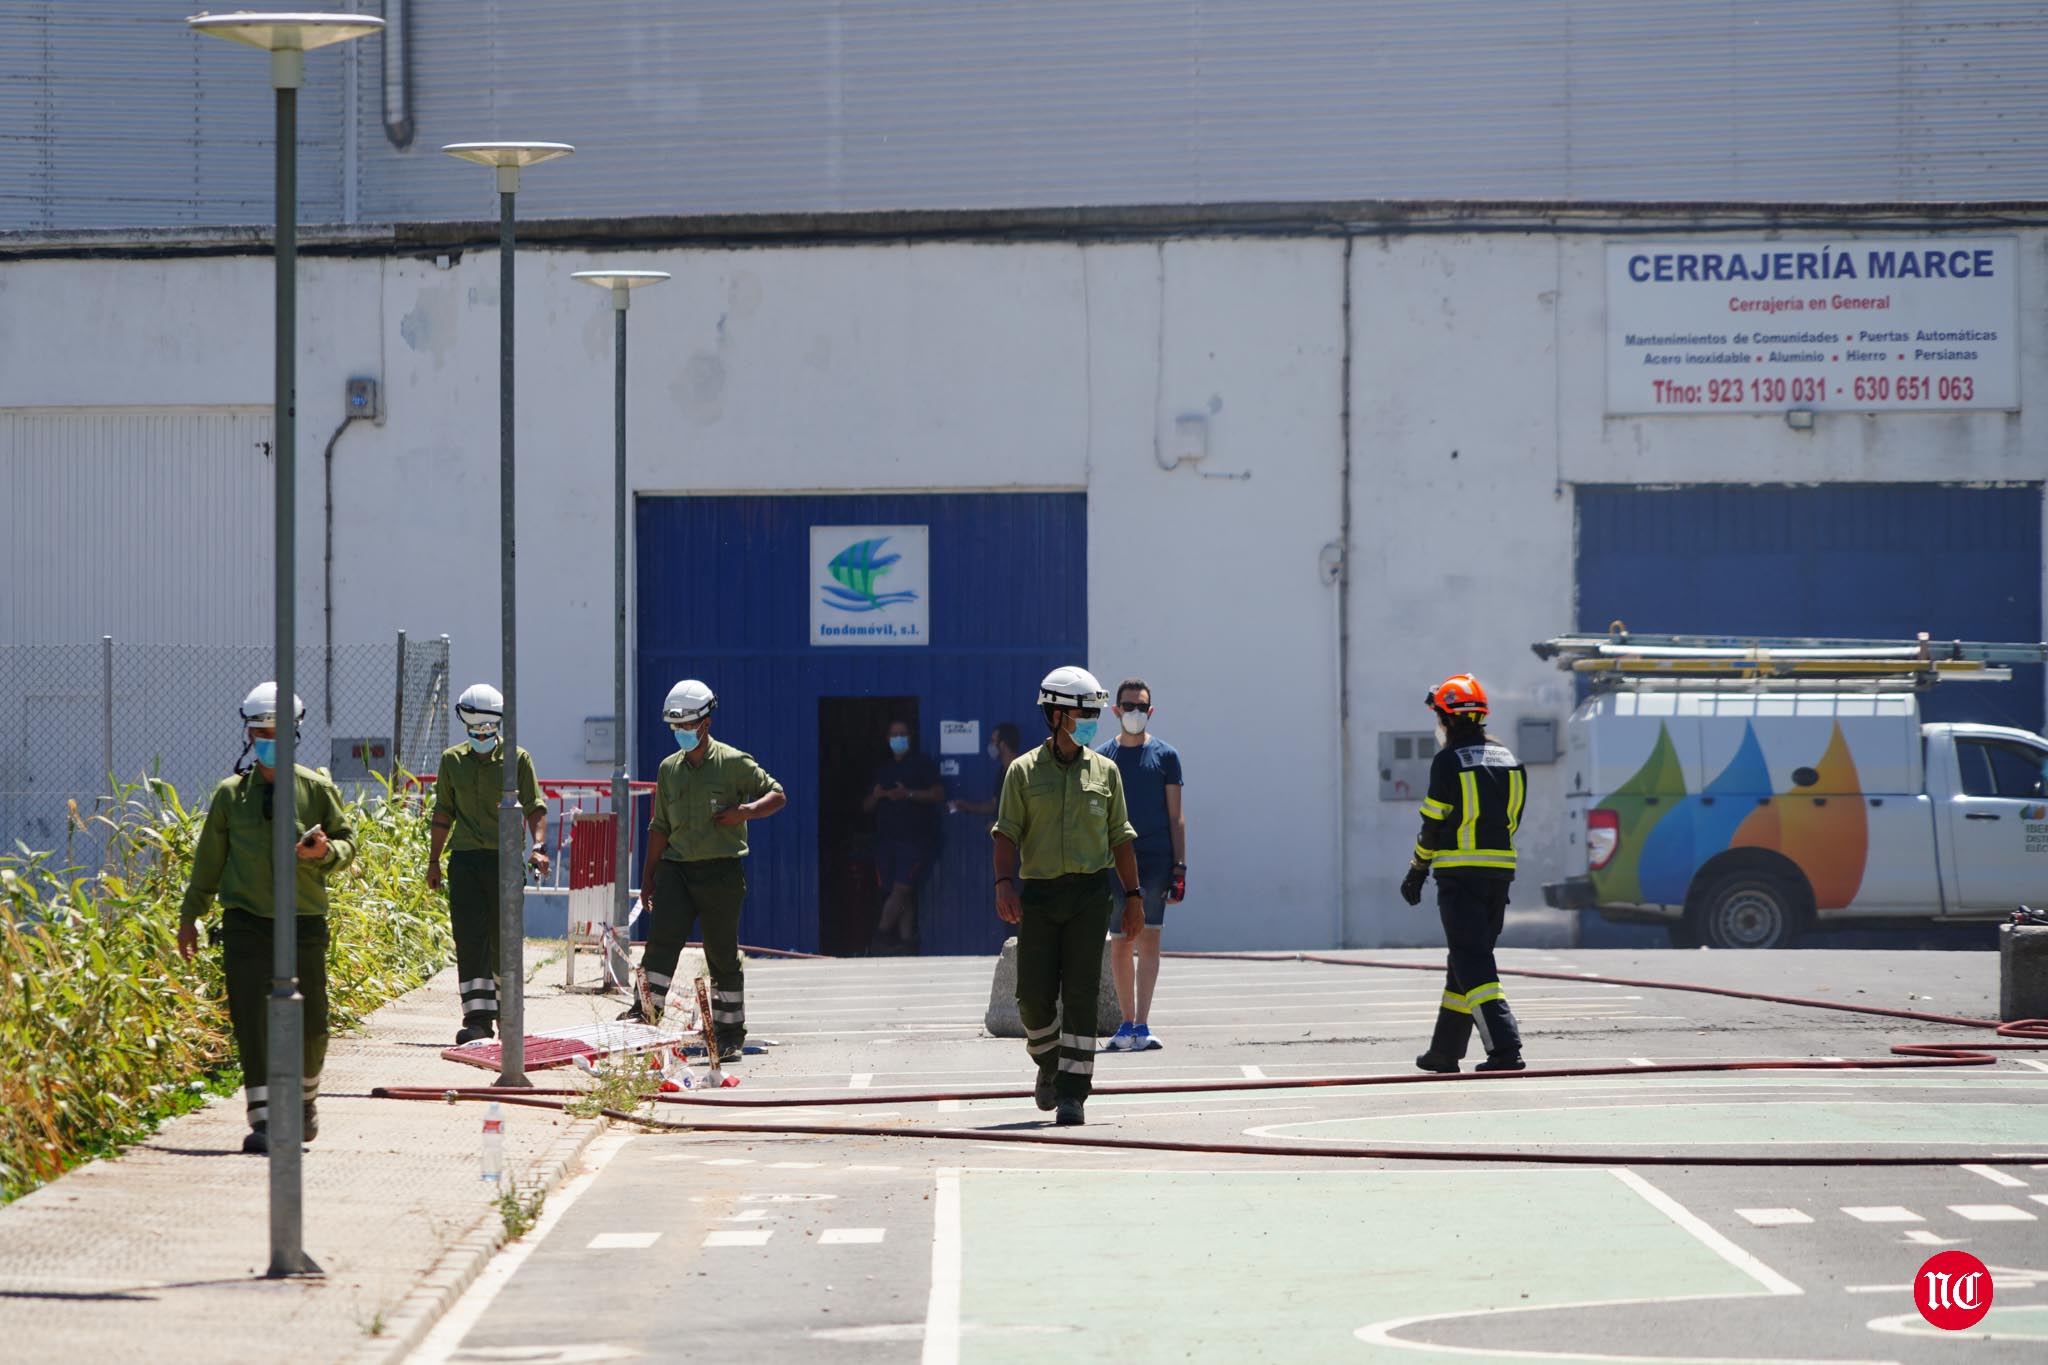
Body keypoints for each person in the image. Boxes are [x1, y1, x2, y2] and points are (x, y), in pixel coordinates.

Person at [176, 683, 356, 1154]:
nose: (267, 738)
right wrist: (190, 917)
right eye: (259, 731)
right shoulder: (230, 796)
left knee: (313, 1022)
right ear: (249, 734)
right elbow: (208, 863)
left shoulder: (316, 789)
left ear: (295, 732)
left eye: (276, 731)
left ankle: (304, 1101)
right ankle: (264, 1121)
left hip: (303, 920)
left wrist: (325, 852)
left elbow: (347, 844)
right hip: (246, 922)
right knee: (252, 1021)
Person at [991, 666, 1142, 1126]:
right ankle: (1050, 1064)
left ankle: (1073, 1093)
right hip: (1039, 895)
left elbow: (1121, 839)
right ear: (1056, 715)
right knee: (1032, 997)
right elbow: (1005, 835)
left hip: (1090, 896)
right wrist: (1003, 885)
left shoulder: (1106, 772)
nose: (1093, 721)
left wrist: (1133, 896)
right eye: (1085, 712)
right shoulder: (1022, 772)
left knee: (1080, 994)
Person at [625, 679, 786, 1061]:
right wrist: (648, 877)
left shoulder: (733, 764)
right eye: (674, 728)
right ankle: (644, 1016)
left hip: (721, 872)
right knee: (661, 945)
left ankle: (730, 1031)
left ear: (706, 723)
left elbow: (777, 794)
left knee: (721, 953)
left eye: (686, 727)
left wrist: (745, 811)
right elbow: (659, 826)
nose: (680, 734)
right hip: (676, 871)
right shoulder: (669, 771)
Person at [1401, 673, 1529, 1073]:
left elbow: (1433, 826)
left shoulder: (1447, 762)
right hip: (1499, 876)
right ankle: (1445, 1052)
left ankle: (1505, 1048)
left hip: (1459, 876)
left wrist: (1417, 870)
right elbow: (1513, 819)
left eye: (1439, 716)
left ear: (1448, 718)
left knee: (1472, 961)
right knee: (1466, 960)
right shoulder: (1510, 760)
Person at [424, 684, 550, 1044]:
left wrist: (538, 847)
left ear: (497, 727)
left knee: (504, 939)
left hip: (505, 862)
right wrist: (434, 861)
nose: (481, 737)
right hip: (464, 862)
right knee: (469, 939)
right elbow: (443, 812)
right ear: (466, 727)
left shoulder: (518, 760)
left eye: (487, 731)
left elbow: (535, 807)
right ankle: (478, 1019)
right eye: (475, 732)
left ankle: (508, 1014)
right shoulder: (452, 761)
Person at [1097, 678, 1186, 1052]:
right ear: (1115, 710)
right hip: (1115, 859)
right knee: (1120, 941)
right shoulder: (1102, 758)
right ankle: (1125, 1025)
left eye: (1141, 707)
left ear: (1150, 712)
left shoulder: (1167, 757)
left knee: (1149, 937)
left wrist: (1179, 868)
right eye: (1128, 706)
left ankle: (1143, 1026)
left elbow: (1175, 817)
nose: (1134, 712)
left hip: (1155, 860)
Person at [861, 718, 945, 954]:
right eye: (894, 734)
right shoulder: (883, 770)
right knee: (901, 893)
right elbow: (866, 807)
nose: (898, 739)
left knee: (901, 889)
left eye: (903, 734)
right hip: (887, 841)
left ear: (909, 737)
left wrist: (907, 794)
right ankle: (908, 943)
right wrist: (878, 795)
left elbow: (938, 794)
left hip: (915, 840)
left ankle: (879, 938)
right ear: (888, 739)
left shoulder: (921, 764)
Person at [949, 722, 1022, 818]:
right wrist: (967, 806)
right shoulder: (1002, 772)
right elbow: (994, 805)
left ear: (1003, 745)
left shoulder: (1020, 773)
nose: (990, 745)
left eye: (993, 741)